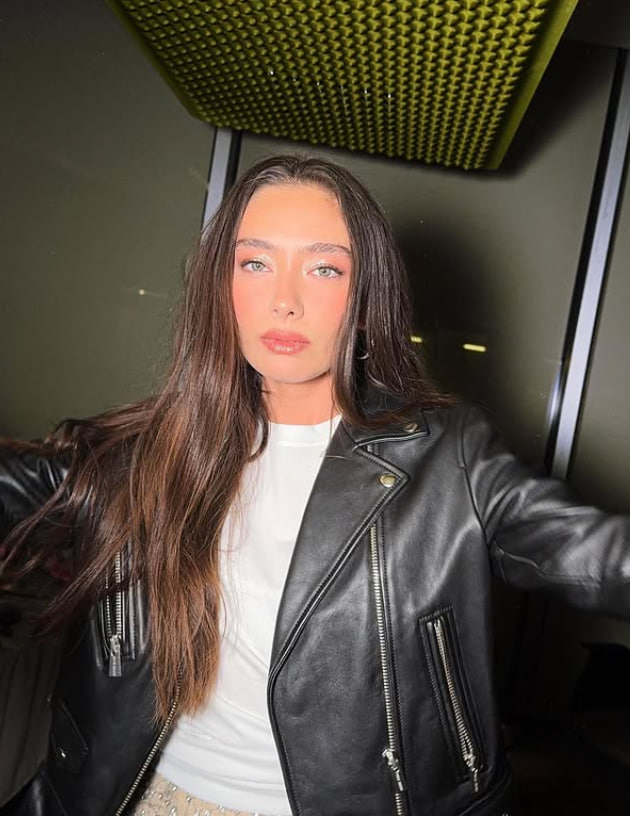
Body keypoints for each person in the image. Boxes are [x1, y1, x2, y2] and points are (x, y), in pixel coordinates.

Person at [1, 154, 630, 816]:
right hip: (136, 799)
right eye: (255, 263)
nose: (285, 299)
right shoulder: (148, 453)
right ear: (221, 286)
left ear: (365, 300)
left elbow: (595, 554)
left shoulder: (449, 461)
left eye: (324, 268)